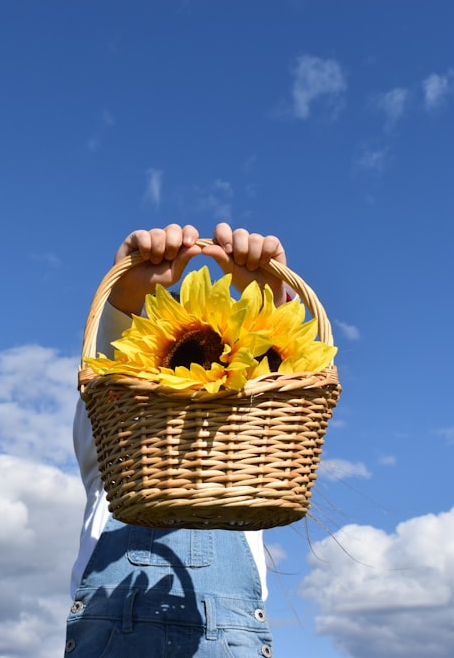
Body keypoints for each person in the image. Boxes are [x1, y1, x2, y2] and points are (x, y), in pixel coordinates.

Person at [66, 223, 288, 657]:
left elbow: (276, 392)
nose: (197, 387)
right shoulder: (116, 449)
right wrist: (126, 304)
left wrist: (269, 309)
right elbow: (111, 384)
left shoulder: (248, 459)